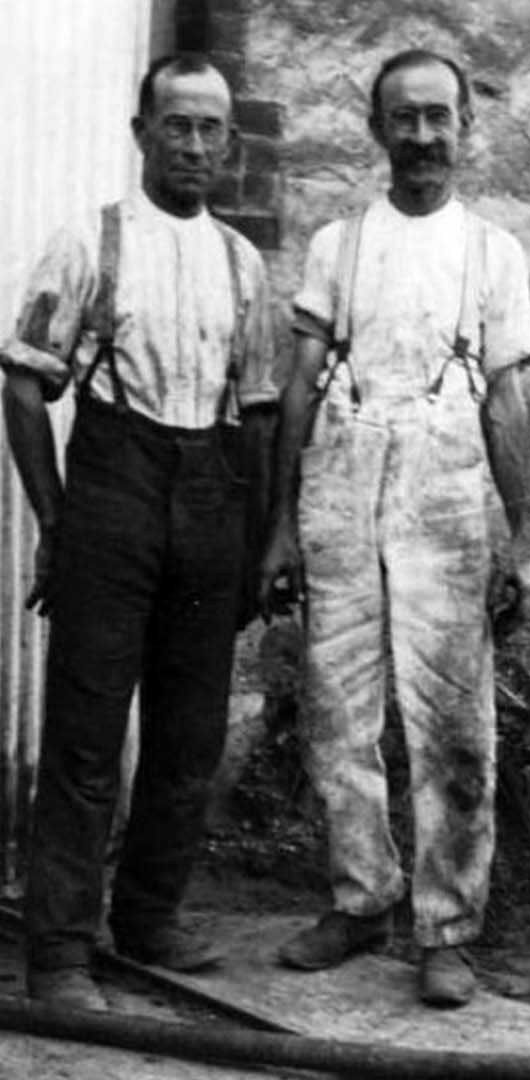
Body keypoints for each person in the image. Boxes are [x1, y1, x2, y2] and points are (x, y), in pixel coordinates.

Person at [259, 48, 530, 1008]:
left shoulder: (490, 254)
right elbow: (298, 388)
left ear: (464, 129)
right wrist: (282, 530)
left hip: (449, 492)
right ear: (377, 130)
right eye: (404, 118)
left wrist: (525, 538)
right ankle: (361, 898)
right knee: (337, 718)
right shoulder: (337, 247)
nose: (422, 135)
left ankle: (447, 928)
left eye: (438, 117)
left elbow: (506, 405)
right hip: (340, 484)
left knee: (455, 727)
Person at [0, 54, 278, 1011]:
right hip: (114, 493)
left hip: (212, 496)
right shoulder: (92, 241)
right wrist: (56, 517)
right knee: (83, 739)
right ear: (142, 134)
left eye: (210, 129)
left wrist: (259, 542)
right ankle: (61, 954)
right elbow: (26, 384)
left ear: (228, 144)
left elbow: (263, 414)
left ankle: (149, 918)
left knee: (188, 733)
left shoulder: (243, 265)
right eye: (177, 125)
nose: (194, 144)